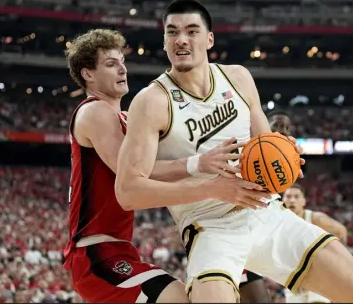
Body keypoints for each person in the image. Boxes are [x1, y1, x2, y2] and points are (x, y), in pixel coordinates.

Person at [115, 0, 353, 303]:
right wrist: (212, 186)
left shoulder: (238, 78)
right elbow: (128, 191)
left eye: (191, 31)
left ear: (209, 39)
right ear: (164, 40)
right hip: (210, 227)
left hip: (265, 213)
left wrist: (286, 155)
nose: (181, 39)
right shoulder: (151, 101)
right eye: (172, 32)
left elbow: (265, 143)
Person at [61, 28, 247, 303]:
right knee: (178, 298)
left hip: (117, 249)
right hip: (95, 253)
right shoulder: (95, 111)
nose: (122, 69)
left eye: (122, 63)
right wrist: (201, 167)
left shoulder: (125, 118)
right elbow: (136, 175)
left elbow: (170, 160)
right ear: (88, 74)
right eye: (111, 65)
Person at [239, 109, 294, 303]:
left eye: (287, 127)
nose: (283, 131)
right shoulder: (248, 149)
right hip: (236, 238)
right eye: (278, 125)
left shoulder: (285, 165)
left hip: (257, 241)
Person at [282, 184, 348, 303]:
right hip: (295, 277)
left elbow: (341, 231)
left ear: (303, 201)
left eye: (296, 197)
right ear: (282, 200)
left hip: (319, 273)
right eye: (288, 196)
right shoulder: (280, 223)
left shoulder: (315, 218)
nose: (292, 200)